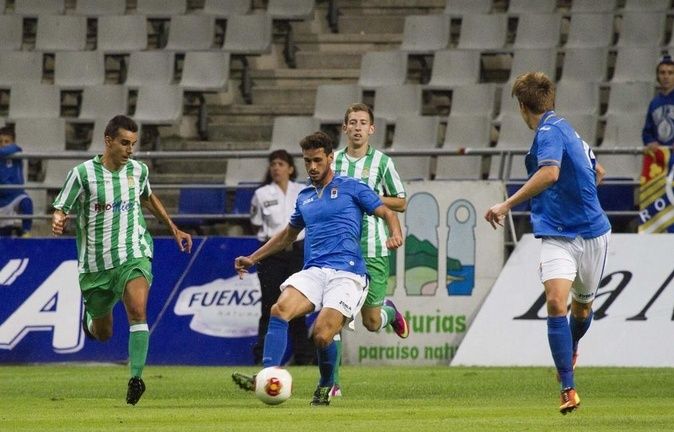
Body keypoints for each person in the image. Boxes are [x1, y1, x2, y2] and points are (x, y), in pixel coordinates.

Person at [231, 131, 403, 406]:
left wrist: (394, 233)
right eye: (307, 161)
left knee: (323, 335)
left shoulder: (353, 187)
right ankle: (267, 375)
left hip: (348, 273)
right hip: (314, 271)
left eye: (317, 160)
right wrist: (254, 257)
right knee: (279, 309)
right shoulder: (305, 197)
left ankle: (325, 384)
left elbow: (388, 212)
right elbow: (288, 235)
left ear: (330, 158)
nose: (312, 167)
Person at [484, 72, 611, 415]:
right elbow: (597, 171)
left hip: (592, 235)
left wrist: (506, 204)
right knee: (556, 302)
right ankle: (568, 389)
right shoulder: (566, 128)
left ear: (523, 107)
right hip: (557, 234)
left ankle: (570, 348)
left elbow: (551, 172)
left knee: (581, 309)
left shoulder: (550, 132)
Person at [51, 115, 193, 406]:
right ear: (108, 141)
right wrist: (58, 219)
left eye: (133, 144)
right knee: (103, 334)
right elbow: (61, 206)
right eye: (125, 143)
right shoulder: (82, 174)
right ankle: (90, 319)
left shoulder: (138, 171)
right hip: (96, 265)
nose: (130, 149)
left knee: (138, 310)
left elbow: (148, 198)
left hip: (133, 252)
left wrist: (173, 228)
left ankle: (136, 378)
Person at [329, 103, 408, 396]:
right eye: (353, 122)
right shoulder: (332, 161)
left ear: (371, 129)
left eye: (363, 122)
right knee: (333, 316)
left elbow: (401, 201)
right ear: (345, 128)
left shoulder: (382, 163)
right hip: (339, 250)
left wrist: (371, 198)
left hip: (374, 249)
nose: (358, 127)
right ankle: (332, 382)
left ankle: (389, 312)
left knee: (372, 322)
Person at [250, 149, 315, 366]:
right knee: (269, 305)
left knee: (297, 305)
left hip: (297, 251)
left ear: (290, 168)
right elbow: (257, 224)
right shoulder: (262, 194)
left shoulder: (303, 190)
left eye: (280, 164)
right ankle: (263, 357)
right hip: (272, 254)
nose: (276, 168)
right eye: (273, 164)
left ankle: (303, 356)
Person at [0, 127, 33, 237]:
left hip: (16, 195)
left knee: (26, 202)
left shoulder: (16, 152)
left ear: (13, 142)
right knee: (4, 235)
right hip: (2, 200)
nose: (3, 144)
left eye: (7, 141)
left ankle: (26, 232)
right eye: (0, 142)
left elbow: (14, 149)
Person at [642, 54, 674, 153]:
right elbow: (647, 131)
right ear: (657, 76)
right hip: (660, 158)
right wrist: (650, 141)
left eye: (670, 73)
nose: (666, 76)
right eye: (662, 73)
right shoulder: (654, 103)